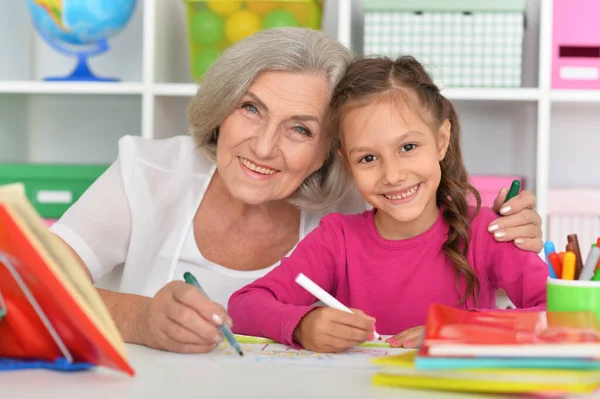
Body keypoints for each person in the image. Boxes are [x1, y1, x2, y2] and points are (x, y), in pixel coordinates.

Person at [50, 28, 544, 355]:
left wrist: (517, 225)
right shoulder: (150, 170)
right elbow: (20, 286)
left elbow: (422, 190)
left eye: (301, 130)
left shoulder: (361, 196)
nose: (264, 147)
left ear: (331, 154)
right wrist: (140, 318)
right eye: (250, 108)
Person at [227, 55, 549, 353]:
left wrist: (460, 330)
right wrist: (303, 326)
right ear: (348, 163)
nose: (393, 175)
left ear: (441, 140)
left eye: (408, 146)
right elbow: (244, 305)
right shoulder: (337, 239)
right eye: (368, 158)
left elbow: (565, 314)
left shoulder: (487, 232)